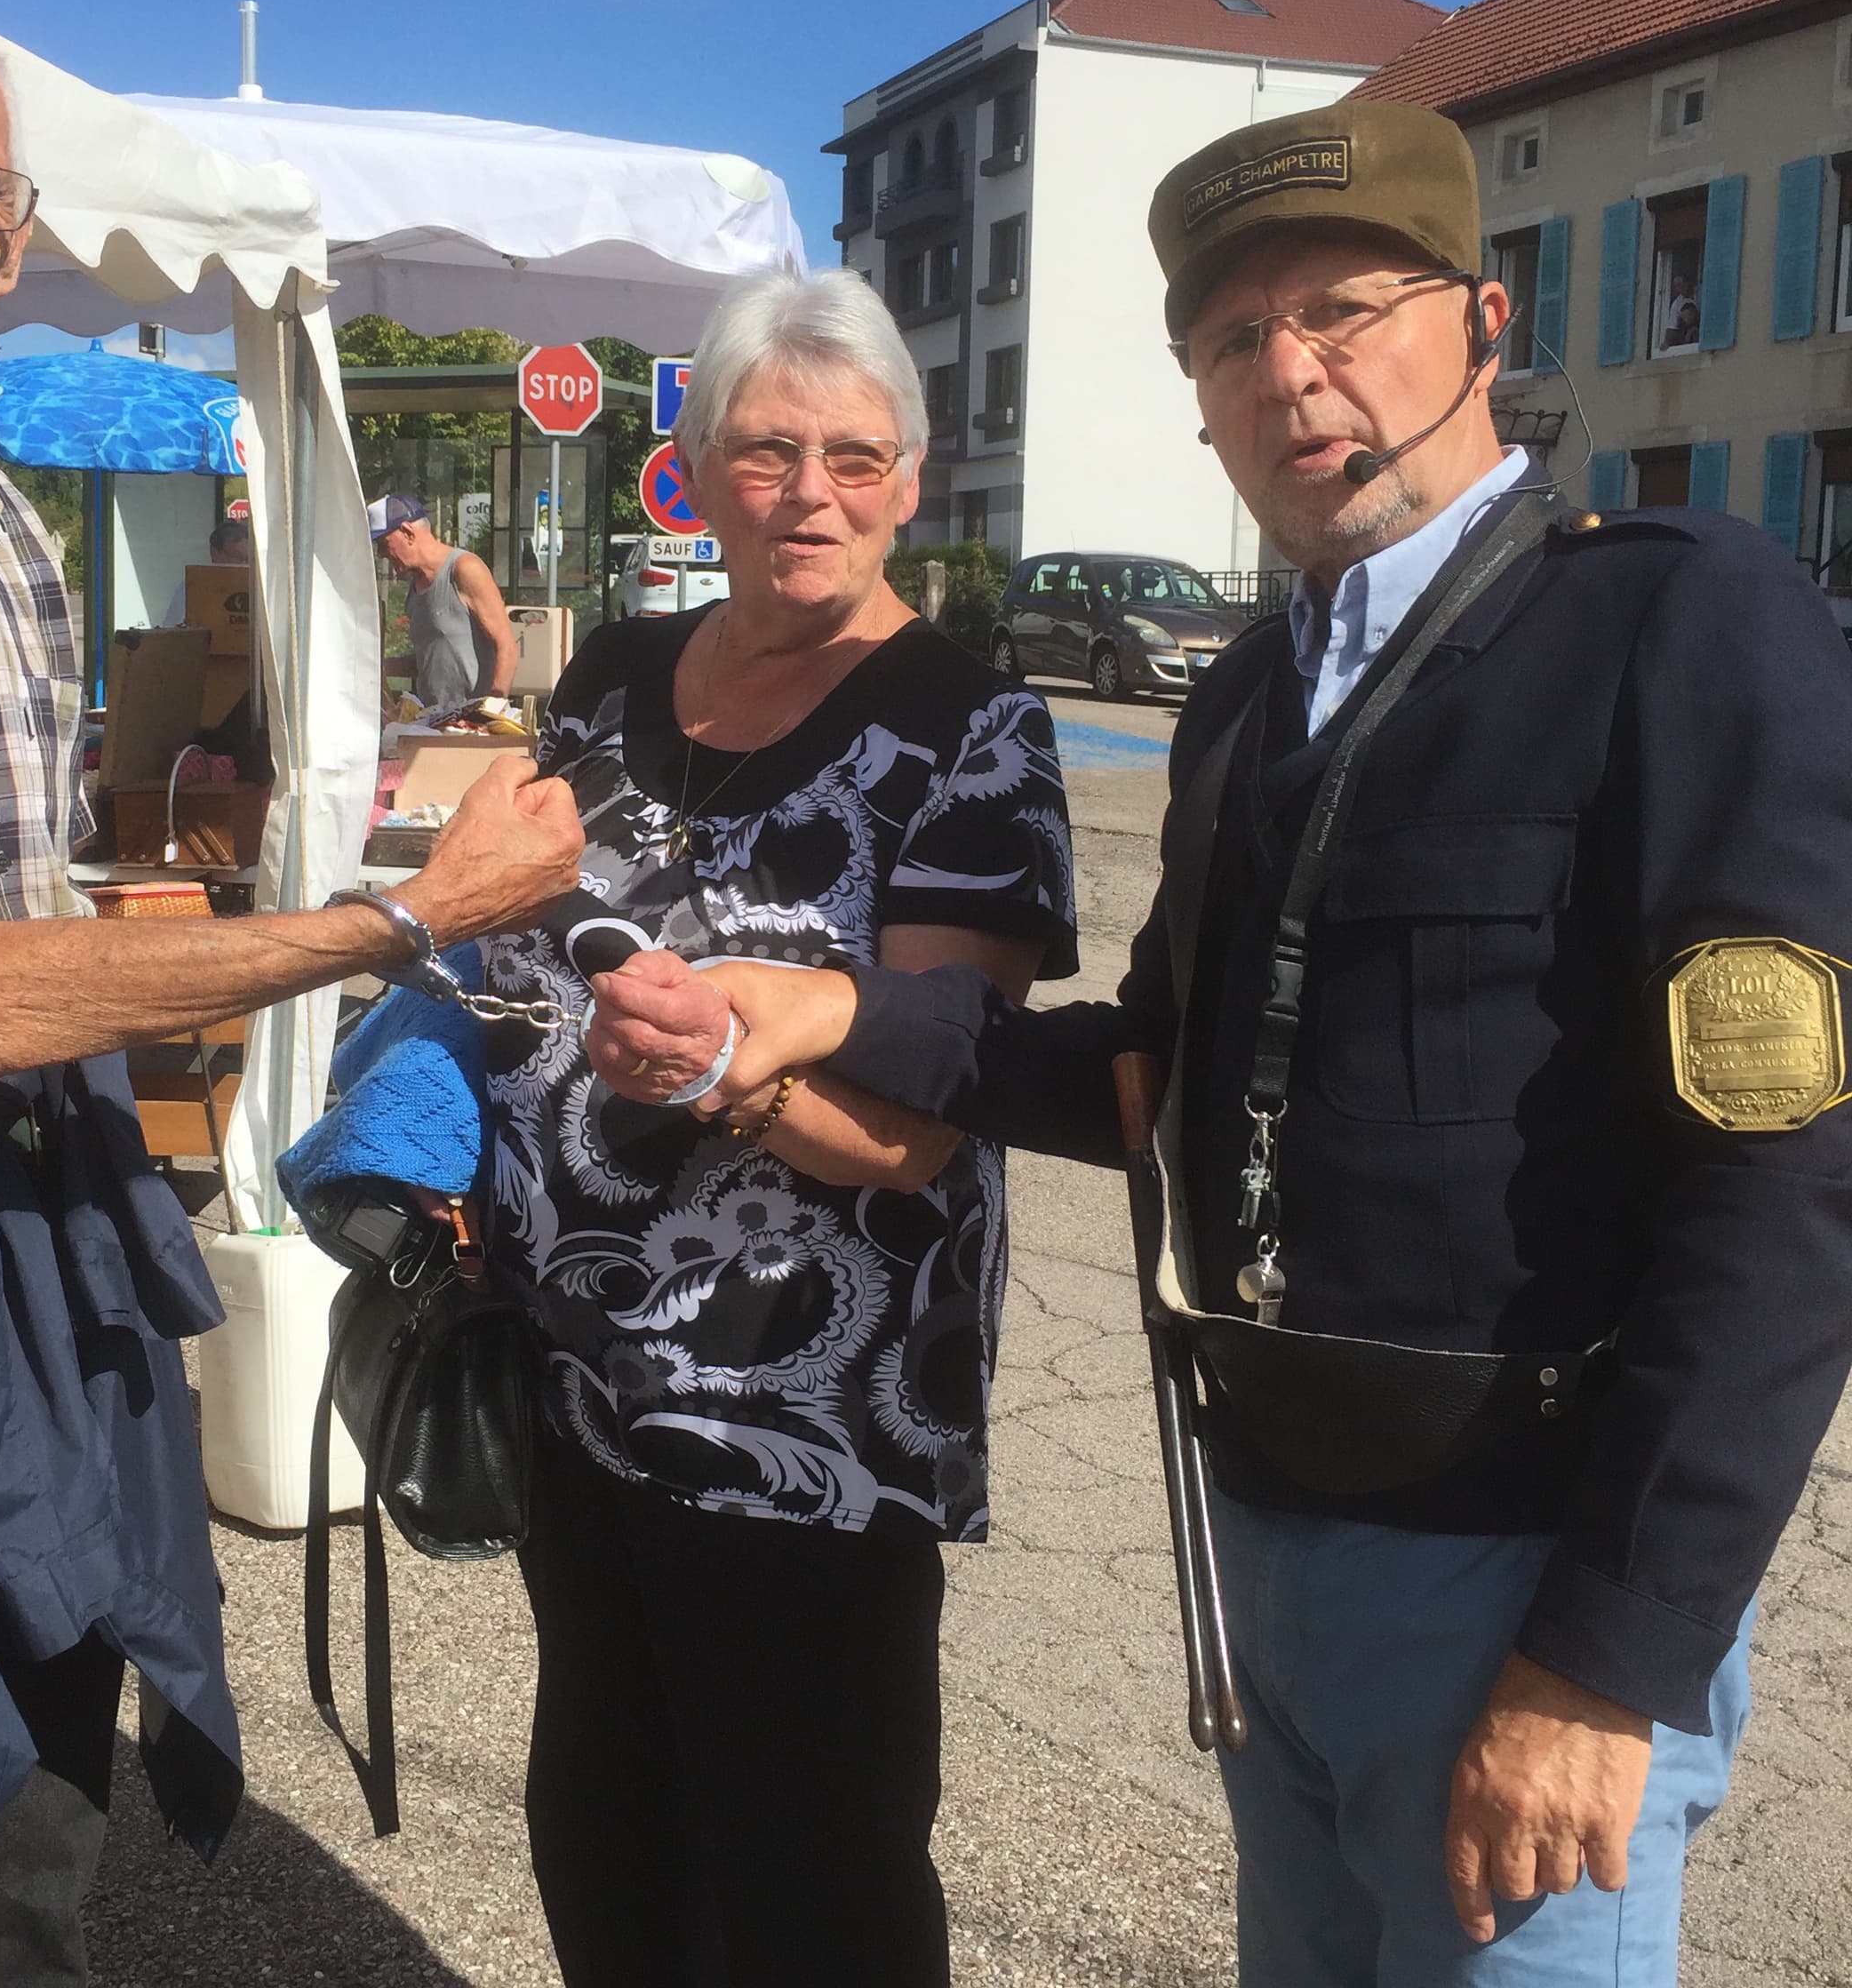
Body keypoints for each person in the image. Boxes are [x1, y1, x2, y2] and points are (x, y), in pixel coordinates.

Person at [584, 100, 1852, 1986]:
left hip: (1516, 1568)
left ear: (1484, 324)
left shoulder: (1674, 625)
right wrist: (833, 1008)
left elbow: (1784, 1183)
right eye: (1234, 342)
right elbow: (1149, 1065)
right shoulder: (1257, 692)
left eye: (1349, 311)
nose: (1296, 377)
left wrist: (1609, 1657)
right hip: (1263, 1542)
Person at [0, 0, 582, 1985]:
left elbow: (24, 892)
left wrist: (206, 814)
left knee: (42, 1799)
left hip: (34, 1212)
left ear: (13, 224)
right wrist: (401, 917)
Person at [475, 267, 1077, 1987]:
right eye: (766, 449)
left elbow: (929, 1132)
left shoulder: (971, 729)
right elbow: (517, 930)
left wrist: (719, 1065)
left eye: (853, 456)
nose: (808, 491)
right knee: (603, 1819)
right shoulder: (608, 673)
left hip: (806, 1419)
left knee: (811, 1865)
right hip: (580, 1373)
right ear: (698, 467)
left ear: (907, 478)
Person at [371, 490, 519, 706]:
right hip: (433, 722)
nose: (380, 554)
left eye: (384, 544)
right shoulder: (415, 590)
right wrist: (381, 666)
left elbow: (507, 646)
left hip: (471, 724)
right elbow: (433, 662)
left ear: (407, 532)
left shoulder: (465, 569)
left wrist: (492, 711)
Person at [159, 511, 252, 625]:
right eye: (238, 558)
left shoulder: (256, 588)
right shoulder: (193, 588)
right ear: (215, 553)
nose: (244, 565)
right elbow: (172, 629)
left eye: (248, 560)